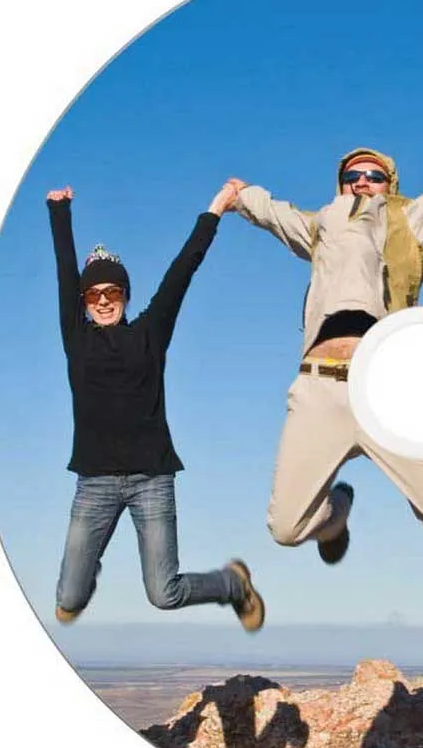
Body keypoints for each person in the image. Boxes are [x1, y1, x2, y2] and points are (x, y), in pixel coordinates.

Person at [227, 88, 423, 565]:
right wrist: (242, 196)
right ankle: (337, 516)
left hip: (384, 386)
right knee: (286, 527)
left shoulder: (413, 222)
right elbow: (275, 214)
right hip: (319, 386)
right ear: (340, 188)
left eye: (375, 176)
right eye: (352, 177)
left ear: (390, 185)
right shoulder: (322, 228)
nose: (363, 182)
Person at [46, 183, 264, 629]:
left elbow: (183, 269)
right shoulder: (76, 338)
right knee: (68, 599)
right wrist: (59, 211)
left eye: (112, 292)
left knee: (164, 594)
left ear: (125, 295)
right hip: (95, 482)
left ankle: (233, 584)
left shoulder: (150, 332)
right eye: (93, 294)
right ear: (83, 302)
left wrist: (216, 209)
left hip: (152, 479)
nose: (102, 300)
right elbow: (65, 270)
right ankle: (84, 571)